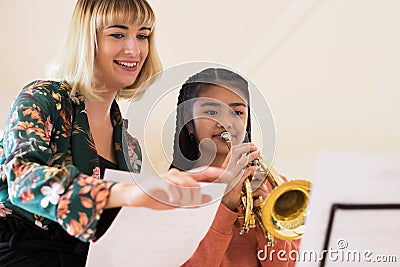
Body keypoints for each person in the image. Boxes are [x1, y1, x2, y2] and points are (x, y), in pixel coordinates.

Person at [0, 1, 224, 266]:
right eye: (117, 34)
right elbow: (20, 178)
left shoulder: (130, 147)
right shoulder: (42, 98)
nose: (134, 49)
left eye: (143, 36)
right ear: (87, 40)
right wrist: (127, 192)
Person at [170, 67, 300, 267]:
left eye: (237, 112)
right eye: (211, 111)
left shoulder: (276, 186)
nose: (225, 122)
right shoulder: (171, 192)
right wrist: (226, 205)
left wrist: (268, 223)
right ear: (188, 121)